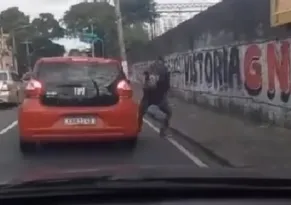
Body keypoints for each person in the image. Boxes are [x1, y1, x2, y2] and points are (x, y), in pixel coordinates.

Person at [138, 56, 172, 137]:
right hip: (153, 99)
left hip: (156, 98)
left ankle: (162, 131)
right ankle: (138, 129)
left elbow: (167, 86)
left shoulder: (160, 71)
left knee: (167, 114)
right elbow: (146, 86)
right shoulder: (159, 71)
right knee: (140, 113)